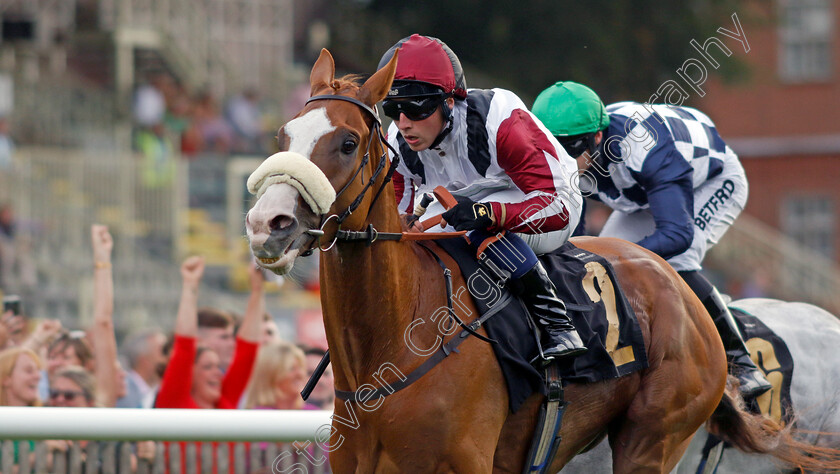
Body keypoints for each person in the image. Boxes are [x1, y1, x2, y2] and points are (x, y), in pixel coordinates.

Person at [530, 81, 772, 398]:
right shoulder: (579, 147)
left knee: (673, 261)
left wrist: (621, 261)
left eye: (571, 148)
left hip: (708, 182)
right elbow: (571, 236)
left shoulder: (646, 148)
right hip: (642, 194)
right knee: (595, 260)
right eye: (552, 146)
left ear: (597, 136)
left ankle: (741, 362)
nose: (560, 159)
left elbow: (677, 234)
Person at [378, 34, 585, 361]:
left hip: (548, 201)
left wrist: (488, 213)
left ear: (448, 101)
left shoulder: (499, 119)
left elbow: (555, 205)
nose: (403, 123)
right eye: (393, 108)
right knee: (413, 244)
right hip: (466, 201)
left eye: (415, 108)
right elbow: (400, 217)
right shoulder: (397, 140)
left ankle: (558, 326)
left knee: (479, 231)